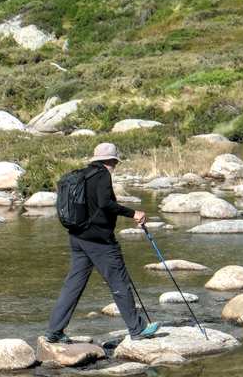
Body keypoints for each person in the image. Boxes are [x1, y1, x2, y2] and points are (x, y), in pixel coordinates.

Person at [45, 141, 161, 346]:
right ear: (112, 160)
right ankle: (137, 329)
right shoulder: (103, 175)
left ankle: (54, 331)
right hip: (99, 241)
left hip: (78, 237)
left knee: (73, 284)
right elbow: (105, 203)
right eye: (115, 162)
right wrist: (133, 213)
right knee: (119, 282)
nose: (115, 166)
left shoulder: (83, 174)